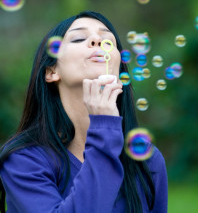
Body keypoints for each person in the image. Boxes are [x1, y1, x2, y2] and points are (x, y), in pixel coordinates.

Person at [0, 11, 168, 213]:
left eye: (108, 41)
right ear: (51, 71)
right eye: (79, 38)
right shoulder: (24, 159)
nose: (97, 40)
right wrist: (104, 125)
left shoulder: (147, 161)